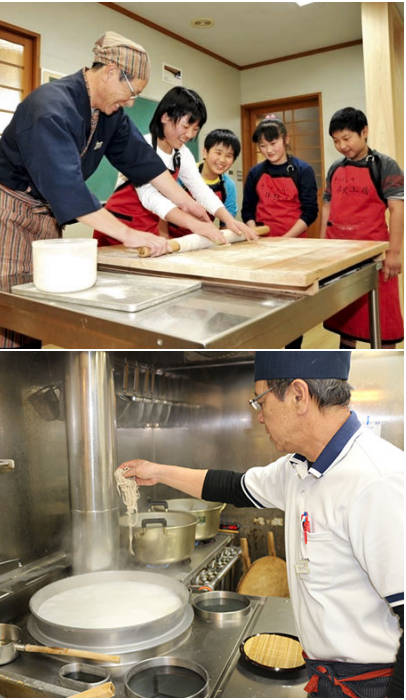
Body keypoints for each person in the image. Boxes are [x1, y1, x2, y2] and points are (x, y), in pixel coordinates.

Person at [117, 351, 403, 699]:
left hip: (373, 685)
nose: (260, 418)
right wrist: (157, 471)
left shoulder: (376, 481)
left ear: (298, 396)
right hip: (326, 677)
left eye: (260, 402)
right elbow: (232, 487)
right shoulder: (299, 468)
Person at [0, 31, 214, 348]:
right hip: (11, 210)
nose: (132, 102)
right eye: (132, 92)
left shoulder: (111, 114)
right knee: (7, 306)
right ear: (109, 72)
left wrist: (190, 209)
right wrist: (131, 235)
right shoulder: (49, 107)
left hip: (49, 214)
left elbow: (142, 162)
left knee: (41, 300)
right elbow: (68, 189)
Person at [94, 88, 256, 245]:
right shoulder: (142, 147)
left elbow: (199, 188)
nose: (190, 135)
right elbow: (150, 197)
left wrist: (229, 220)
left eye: (196, 129)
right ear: (165, 117)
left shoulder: (181, 153)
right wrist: (194, 224)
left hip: (148, 228)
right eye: (186, 126)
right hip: (117, 228)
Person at [321, 107, 403, 349]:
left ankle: (388, 374)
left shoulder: (385, 166)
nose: (341, 146)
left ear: (364, 132)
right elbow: (327, 207)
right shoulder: (335, 168)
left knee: (384, 325)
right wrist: (322, 249)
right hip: (339, 257)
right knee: (345, 320)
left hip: (373, 257)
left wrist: (394, 254)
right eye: (336, 141)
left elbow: (397, 211)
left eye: (346, 138)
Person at [241, 115, 318, 349]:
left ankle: (293, 350)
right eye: (262, 146)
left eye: (272, 144)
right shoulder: (256, 173)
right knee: (265, 304)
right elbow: (248, 211)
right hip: (264, 249)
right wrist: (254, 233)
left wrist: (285, 240)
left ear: (285, 139)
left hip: (294, 247)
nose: (268, 150)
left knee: (294, 308)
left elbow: (309, 212)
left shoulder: (302, 170)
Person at [165, 128, 241, 238]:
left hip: (202, 240)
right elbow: (161, 208)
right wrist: (165, 238)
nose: (222, 160)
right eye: (218, 153)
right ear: (205, 152)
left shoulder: (228, 186)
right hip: (171, 238)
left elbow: (226, 226)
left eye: (228, 156)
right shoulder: (183, 173)